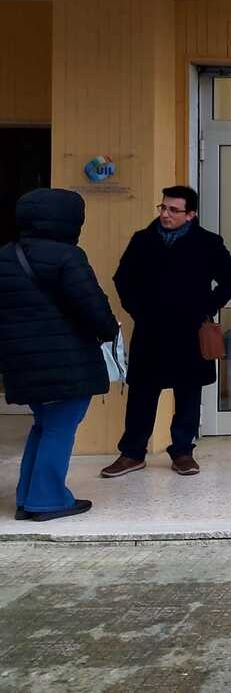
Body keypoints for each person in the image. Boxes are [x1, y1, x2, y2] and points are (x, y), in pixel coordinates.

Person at [101, 186, 231, 478]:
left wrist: (205, 307)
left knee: (188, 392)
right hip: (150, 329)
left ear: (191, 214)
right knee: (142, 392)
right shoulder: (143, 240)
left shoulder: (208, 243)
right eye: (163, 208)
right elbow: (122, 279)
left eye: (173, 210)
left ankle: (182, 452)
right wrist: (138, 310)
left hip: (190, 330)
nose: (165, 214)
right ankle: (132, 453)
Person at [0, 188, 119, 521]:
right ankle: (48, 499)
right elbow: (92, 306)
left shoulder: (6, 255)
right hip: (65, 360)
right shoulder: (67, 256)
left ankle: (28, 496)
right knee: (59, 428)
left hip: (22, 361)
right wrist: (110, 330)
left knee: (43, 425)